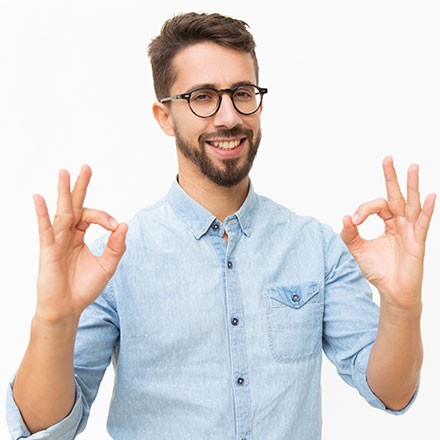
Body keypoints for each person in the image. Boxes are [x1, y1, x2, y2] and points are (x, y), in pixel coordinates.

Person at [6, 12, 436, 440]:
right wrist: (53, 319)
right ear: (164, 116)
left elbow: (392, 392)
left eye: (242, 93)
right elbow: (44, 428)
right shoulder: (112, 262)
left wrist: (402, 304)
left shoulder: (316, 246)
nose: (229, 117)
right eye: (203, 97)